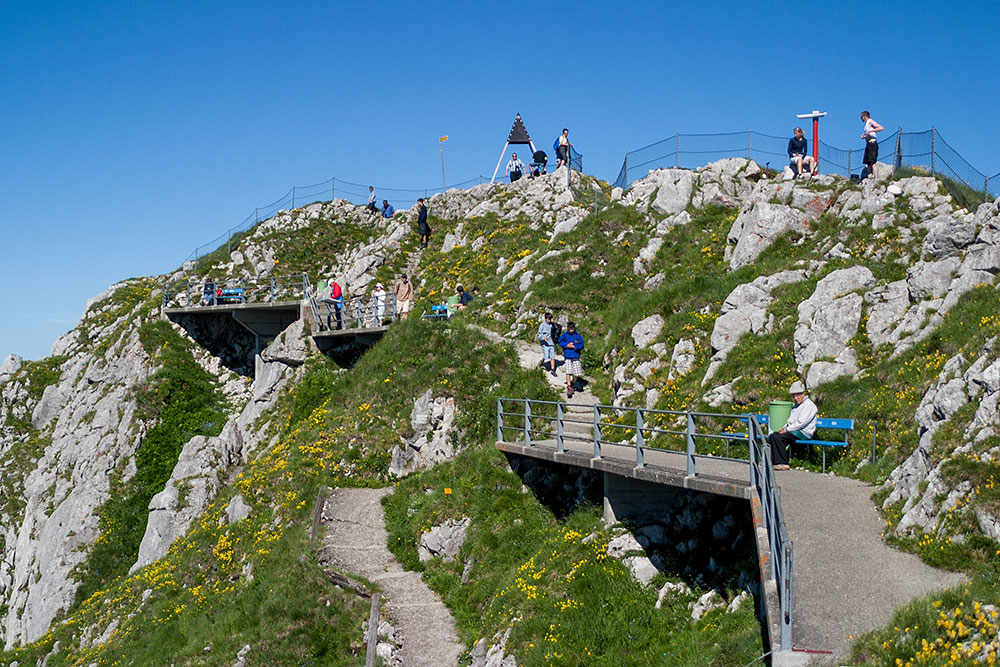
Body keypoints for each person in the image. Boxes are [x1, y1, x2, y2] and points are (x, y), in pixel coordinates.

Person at [766, 381, 817, 470]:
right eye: (793, 396)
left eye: (797, 395)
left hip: (804, 433)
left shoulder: (809, 405)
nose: (795, 398)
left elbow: (801, 423)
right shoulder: (797, 406)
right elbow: (790, 420)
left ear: (803, 394)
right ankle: (773, 461)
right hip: (795, 431)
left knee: (778, 437)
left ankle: (782, 463)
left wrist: (786, 430)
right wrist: (784, 427)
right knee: (773, 436)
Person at [557, 321, 584, 397]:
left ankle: (572, 382)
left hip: (576, 355)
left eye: (572, 328)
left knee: (577, 373)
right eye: (570, 328)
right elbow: (560, 342)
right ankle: (569, 387)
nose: (571, 330)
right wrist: (566, 345)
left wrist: (575, 347)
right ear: (568, 328)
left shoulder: (578, 335)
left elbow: (581, 345)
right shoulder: (565, 335)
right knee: (568, 371)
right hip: (568, 355)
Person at [860, 111, 884, 180]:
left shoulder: (870, 121)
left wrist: (870, 131)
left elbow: (881, 128)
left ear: (864, 116)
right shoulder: (866, 124)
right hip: (868, 144)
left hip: (872, 144)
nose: (861, 119)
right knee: (868, 163)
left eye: (861, 117)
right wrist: (864, 136)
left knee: (873, 163)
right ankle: (869, 177)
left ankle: (876, 179)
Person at [536, 312, 557, 376]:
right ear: (545, 319)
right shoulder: (542, 325)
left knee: (552, 356)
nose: (549, 320)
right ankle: (542, 362)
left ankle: (553, 370)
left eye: (550, 319)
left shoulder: (552, 325)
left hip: (551, 342)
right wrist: (543, 338)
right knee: (546, 355)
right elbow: (539, 334)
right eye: (548, 319)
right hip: (544, 343)